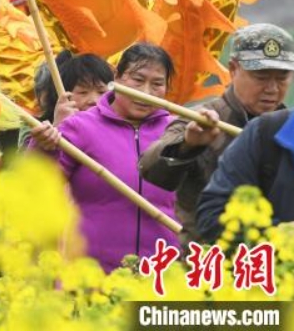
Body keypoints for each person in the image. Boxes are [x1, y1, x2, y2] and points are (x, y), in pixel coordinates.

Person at [140, 23, 293, 245]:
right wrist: (187, 145)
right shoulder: (203, 119)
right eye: (261, 76)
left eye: (281, 78)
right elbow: (149, 168)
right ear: (233, 69)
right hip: (209, 260)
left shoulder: (287, 129)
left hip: (278, 264)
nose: (272, 88)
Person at [31, 43, 178, 272]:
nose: (146, 92)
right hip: (90, 273)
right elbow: (37, 185)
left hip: (162, 274)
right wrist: (44, 147)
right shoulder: (80, 127)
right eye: (138, 80)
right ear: (117, 77)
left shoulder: (178, 132)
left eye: (157, 84)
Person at [197, 108, 294, 242]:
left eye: (280, 84)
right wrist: (282, 238)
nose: (272, 89)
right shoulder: (265, 131)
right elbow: (213, 216)